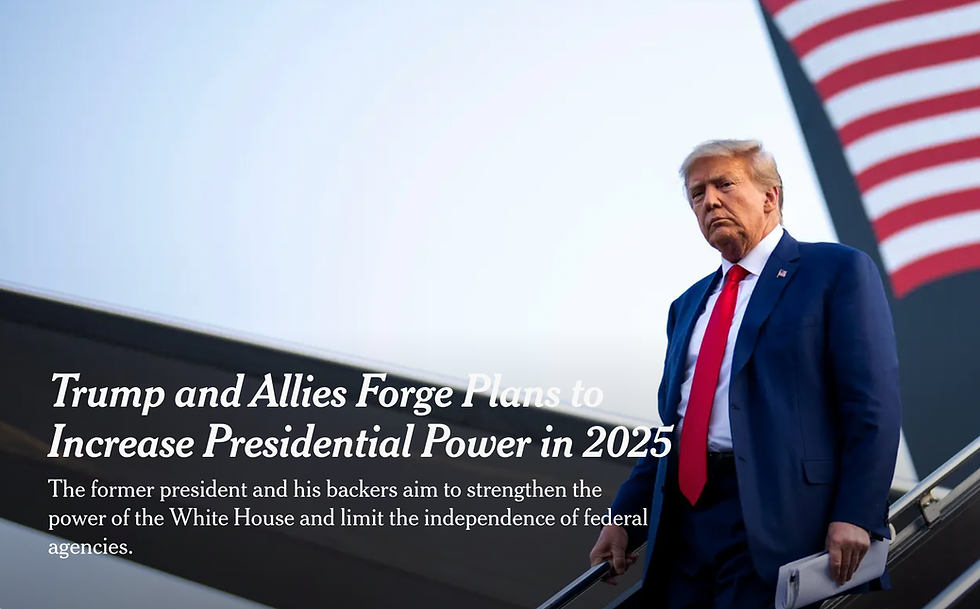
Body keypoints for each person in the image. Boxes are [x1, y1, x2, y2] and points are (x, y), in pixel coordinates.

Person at [589, 139, 901, 608]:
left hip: (779, 515)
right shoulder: (687, 304)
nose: (709, 201)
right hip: (684, 518)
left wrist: (858, 513)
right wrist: (626, 516)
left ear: (770, 196)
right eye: (697, 194)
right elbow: (674, 426)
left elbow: (870, 405)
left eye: (725, 185)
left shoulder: (835, 270)